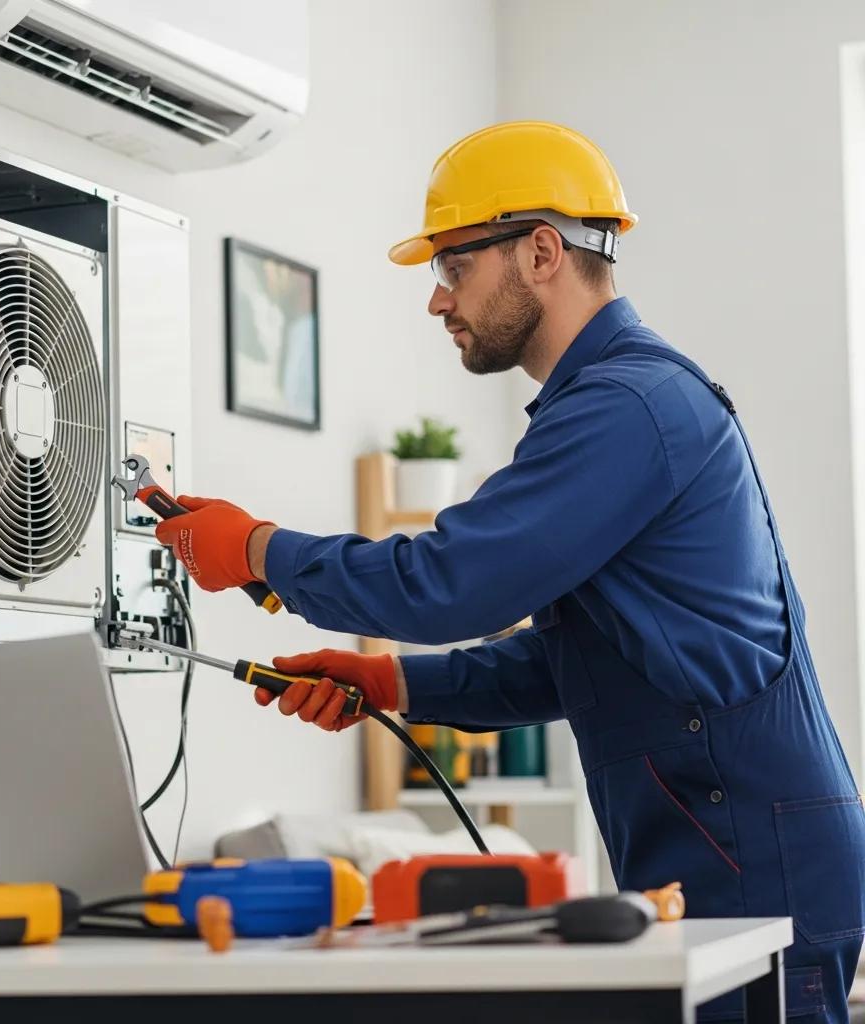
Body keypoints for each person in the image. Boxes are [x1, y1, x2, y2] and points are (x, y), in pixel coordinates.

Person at [155, 122, 865, 1022]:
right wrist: (388, 680)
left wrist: (258, 550)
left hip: (752, 863)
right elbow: (569, 663)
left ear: (539, 252)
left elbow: (452, 582)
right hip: (730, 851)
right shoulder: (605, 408)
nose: (437, 301)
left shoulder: (627, 409)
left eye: (453, 266)